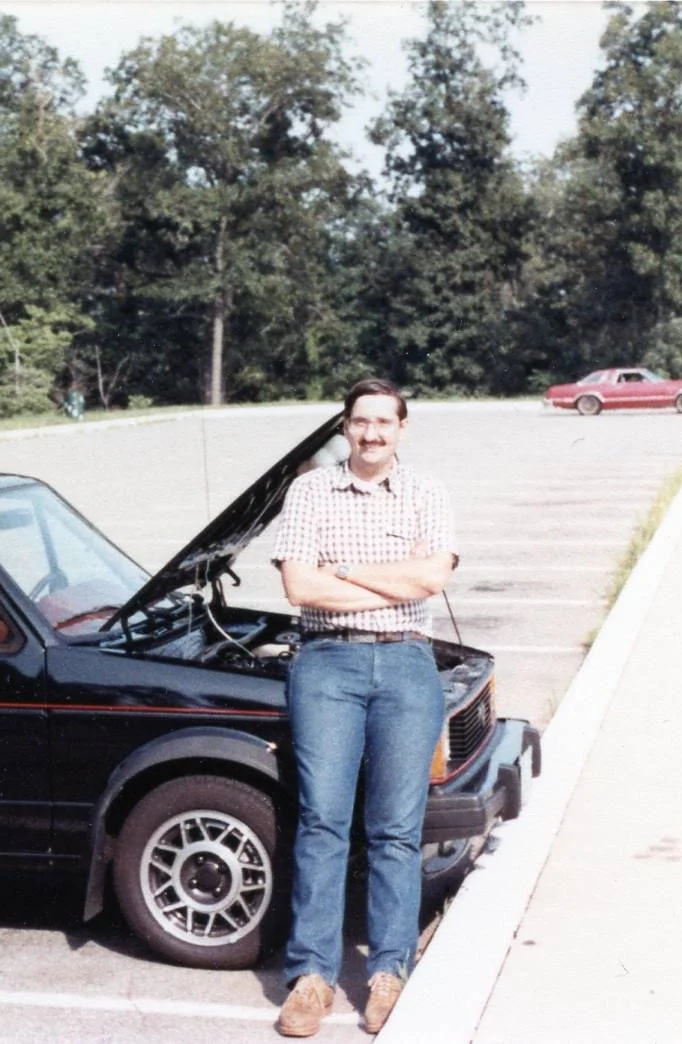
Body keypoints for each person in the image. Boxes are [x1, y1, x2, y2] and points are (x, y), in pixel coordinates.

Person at [270, 378, 457, 1038]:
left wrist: (342, 572)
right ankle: (311, 977)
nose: (371, 433)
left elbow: (430, 578)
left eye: (384, 422)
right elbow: (298, 585)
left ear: (401, 429)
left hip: (406, 664)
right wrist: (386, 578)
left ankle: (386, 973)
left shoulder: (426, 490)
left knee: (396, 829)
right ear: (344, 428)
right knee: (321, 821)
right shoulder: (309, 490)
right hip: (326, 665)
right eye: (359, 421)